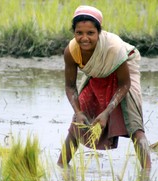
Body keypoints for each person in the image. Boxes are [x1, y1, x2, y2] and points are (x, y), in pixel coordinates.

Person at [57, 5, 151, 171]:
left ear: (99, 33)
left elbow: (124, 84)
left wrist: (107, 112)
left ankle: (147, 172)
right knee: (76, 125)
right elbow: (70, 86)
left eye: (90, 33)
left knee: (135, 127)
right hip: (97, 75)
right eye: (79, 33)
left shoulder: (114, 48)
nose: (84, 38)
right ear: (74, 33)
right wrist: (78, 112)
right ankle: (61, 167)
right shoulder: (71, 51)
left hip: (122, 72)